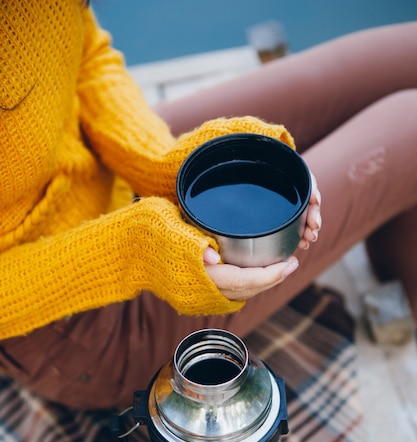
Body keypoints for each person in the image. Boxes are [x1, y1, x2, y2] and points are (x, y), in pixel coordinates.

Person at [0, 1, 416, 410]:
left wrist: (159, 163)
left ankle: (391, 264)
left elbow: (88, 55)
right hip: (74, 321)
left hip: (97, 166)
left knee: (406, 54)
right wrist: (133, 250)